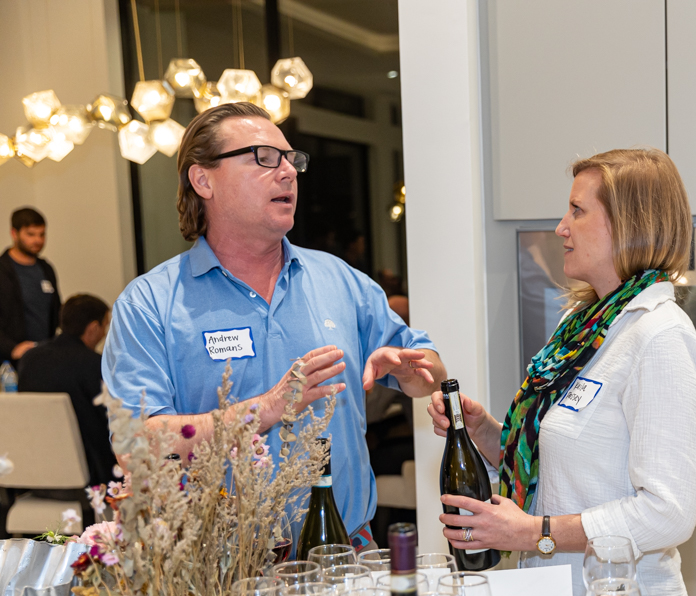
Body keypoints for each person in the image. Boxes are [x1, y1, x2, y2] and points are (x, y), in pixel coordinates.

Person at [102, 102, 446, 550]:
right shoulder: (151, 303)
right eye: (263, 158)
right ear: (203, 180)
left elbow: (431, 373)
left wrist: (412, 367)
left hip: (343, 557)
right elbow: (136, 446)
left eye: (290, 159)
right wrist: (265, 408)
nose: (287, 172)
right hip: (220, 570)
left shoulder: (339, 280)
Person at [427, 148, 696, 596]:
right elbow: (562, 467)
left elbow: (668, 512)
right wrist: (488, 434)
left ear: (629, 225)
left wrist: (535, 531)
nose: (561, 227)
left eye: (577, 211)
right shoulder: (582, 327)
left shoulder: (658, 337)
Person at [18, 294, 117, 489]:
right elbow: (111, 420)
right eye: (105, 326)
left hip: (33, 474)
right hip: (90, 478)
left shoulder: (29, 360)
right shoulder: (94, 364)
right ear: (93, 328)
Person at [0, 207, 60, 363]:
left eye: (42, 234)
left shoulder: (46, 268)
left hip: (45, 357)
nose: (38, 240)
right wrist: (11, 349)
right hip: (10, 361)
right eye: (31, 234)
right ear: (14, 233)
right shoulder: (3, 270)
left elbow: (56, 310)